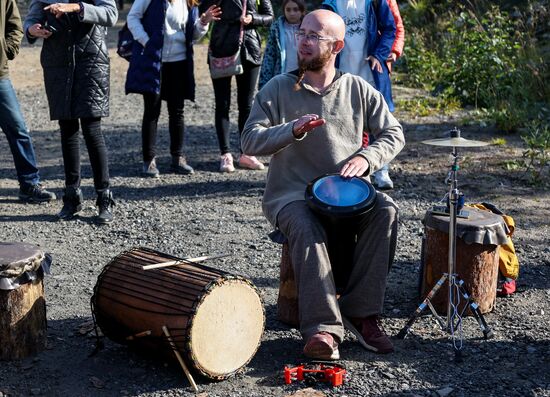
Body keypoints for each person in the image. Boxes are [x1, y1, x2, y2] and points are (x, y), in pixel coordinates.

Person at [242, 10, 404, 360]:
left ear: (337, 46)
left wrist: (367, 158)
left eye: (314, 35)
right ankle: (323, 329)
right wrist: (291, 129)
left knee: (386, 210)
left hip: (346, 194)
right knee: (304, 225)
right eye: (302, 33)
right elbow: (249, 141)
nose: (303, 40)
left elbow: (393, 133)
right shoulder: (279, 88)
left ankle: (361, 313)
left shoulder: (357, 88)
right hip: (292, 194)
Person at [24, 0, 118, 224]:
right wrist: (32, 29)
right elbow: (32, 17)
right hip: (57, 62)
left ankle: (104, 197)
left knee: (92, 129)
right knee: (67, 130)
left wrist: (76, 7)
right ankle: (71, 197)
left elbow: (111, 14)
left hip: (91, 60)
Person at [126, 0, 221, 178]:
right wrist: (147, 42)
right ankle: (149, 160)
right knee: (152, 111)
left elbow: (192, 36)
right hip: (155, 61)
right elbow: (132, 18)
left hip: (180, 62)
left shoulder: (189, 2)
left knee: (177, 111)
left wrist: (203, 22)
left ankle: (177, 158)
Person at [321, 0, 398, 190]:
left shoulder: (375, 1)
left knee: (378, 122)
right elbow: (321, 34)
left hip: (371, 71)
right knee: (340, 121)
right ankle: (343, 171)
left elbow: (390, 28)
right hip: (340, 73)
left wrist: (379, 54)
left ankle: (381, 170)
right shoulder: (329, 4)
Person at [199, 0, 273, 172]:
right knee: (222, 103)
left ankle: (246, 153)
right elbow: (203, 10)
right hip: (221, 45)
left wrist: (253, 18)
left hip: (249, 48)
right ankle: (225, 154)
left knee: (246, 104)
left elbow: (269, 17)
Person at [0, 0, 56, 204]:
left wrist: (7, 50)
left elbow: (14, 25)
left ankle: (29, 184)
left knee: (18, 129)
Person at [258, 0, 306, 90]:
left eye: (295, 10)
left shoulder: (309, 28)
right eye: (288, 10)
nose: (292, 13)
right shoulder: (276, 29)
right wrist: (264, 84)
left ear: (302, 11)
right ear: (284, 11)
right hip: (282, 75)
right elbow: (269, 56)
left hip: (304, 77)